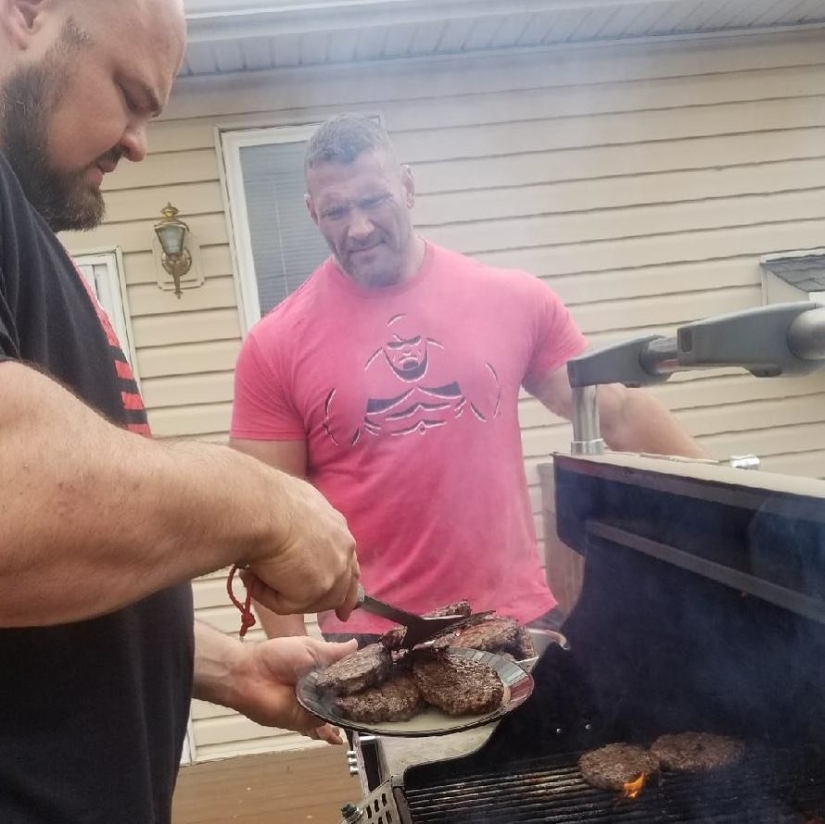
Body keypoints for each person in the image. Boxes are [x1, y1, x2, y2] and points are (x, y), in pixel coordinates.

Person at [0, 2, 361, 821]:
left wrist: (221, 666)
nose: (138, 141)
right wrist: (265, 502)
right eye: (127, 94)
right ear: (25, 14)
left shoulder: (26, 232)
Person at [230, 114, 705, 646]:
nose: (357, 226)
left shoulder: (512, 300)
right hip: (372, 638)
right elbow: (264, 520)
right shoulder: (275, 344)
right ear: (311, 212)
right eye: (336, 210)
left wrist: (731, 507)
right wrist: (296, 661)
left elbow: (615, 411)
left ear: (407, 187)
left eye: (373, 200)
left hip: (514, 621)